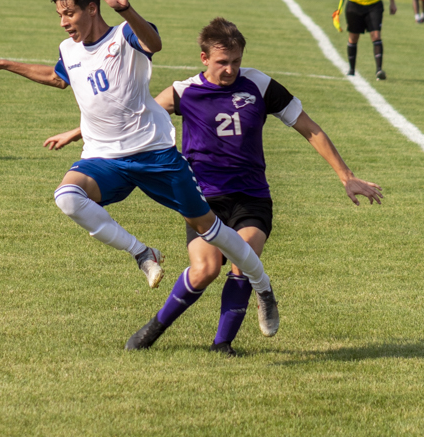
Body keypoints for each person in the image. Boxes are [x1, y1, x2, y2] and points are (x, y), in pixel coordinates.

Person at [46, 18, 383, 356]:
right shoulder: (184, 91)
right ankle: (154, 327)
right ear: (204, 58)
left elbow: (308, 127)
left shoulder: (259, 85)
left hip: (252, 197)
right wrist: (76, 132)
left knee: (242, 260)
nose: (230, 69)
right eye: (223, 62)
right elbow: (132, 116)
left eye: (236, 61)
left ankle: (222, 344)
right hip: (203, 197)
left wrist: (346, 175)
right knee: (204, 270)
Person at [0, 0, 279, 327]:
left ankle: (263, 286)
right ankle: (143, 253)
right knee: (67, 197)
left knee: (211, 229)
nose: (63, 22)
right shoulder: (69, 51)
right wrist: (1, 64)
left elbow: (155, 42)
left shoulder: (125, 36)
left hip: (154, 153)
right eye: (59, 14)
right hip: (104, 158)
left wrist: (126, 9)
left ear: (91, 7)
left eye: (69, 13)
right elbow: (58, 77)